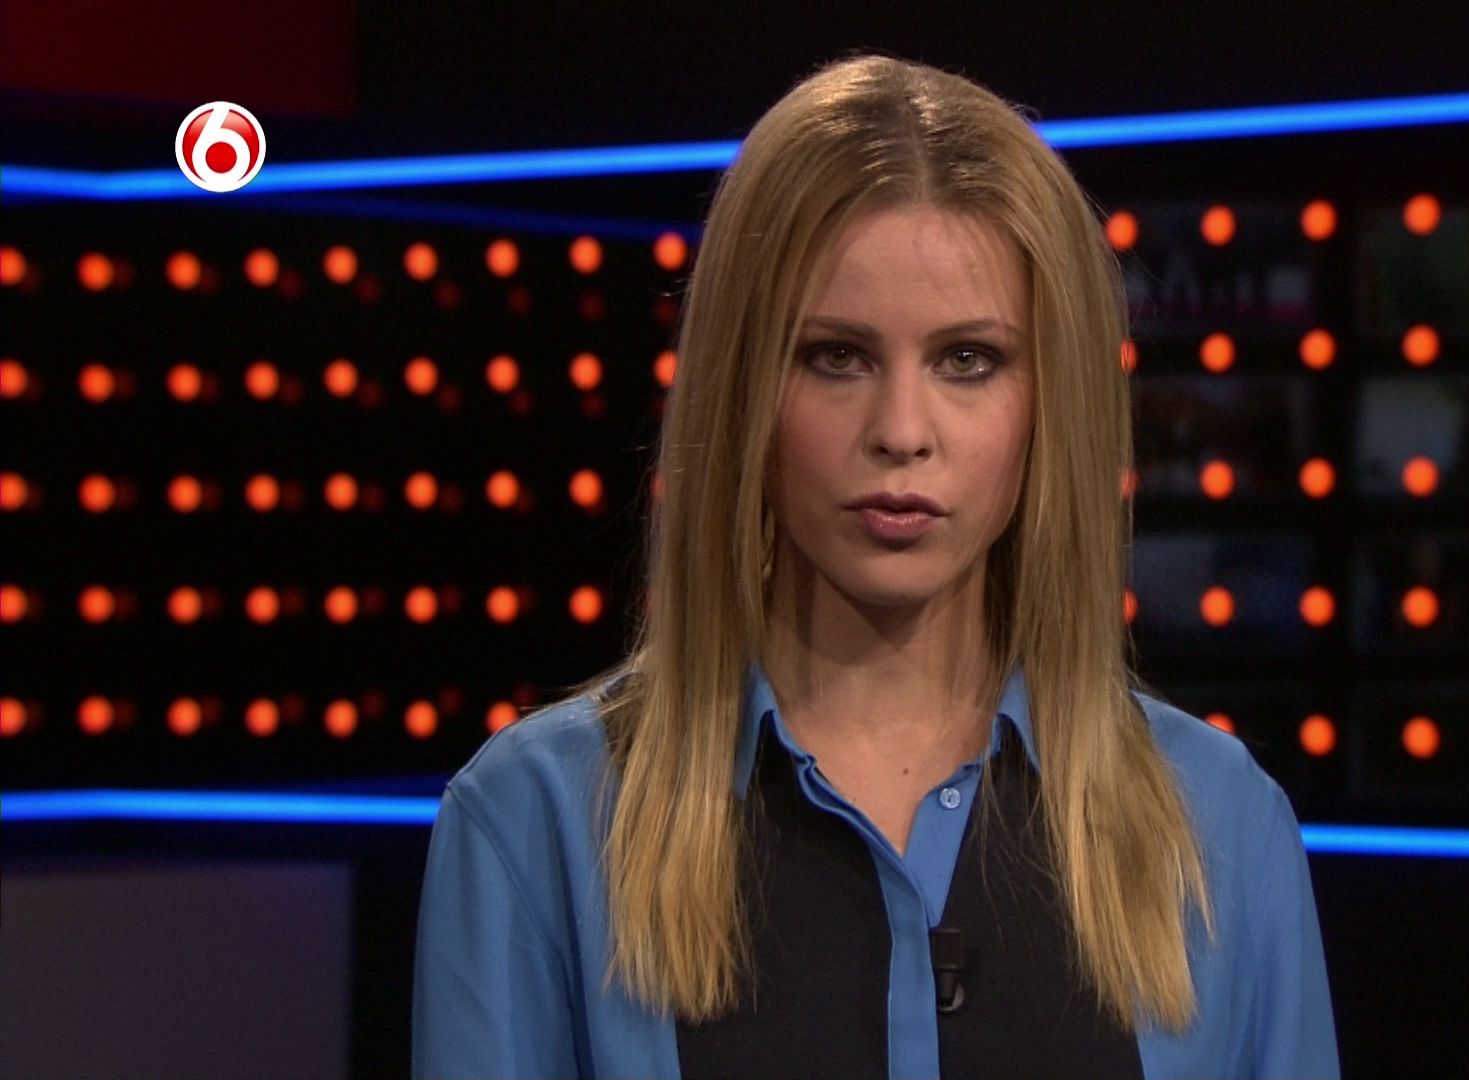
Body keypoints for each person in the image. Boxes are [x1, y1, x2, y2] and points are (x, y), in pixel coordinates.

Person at [412, 51, 1339, 1079]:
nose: (902, 431)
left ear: (1050, 401)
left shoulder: (1220, 829)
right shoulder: (537, 822)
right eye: (835, 357)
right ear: (744, 387)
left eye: (968, 360)